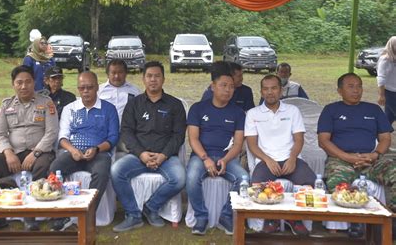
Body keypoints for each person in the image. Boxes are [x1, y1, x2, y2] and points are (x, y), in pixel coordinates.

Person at [318, 72, 395, 238]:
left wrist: (375, 154)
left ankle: (392, 221)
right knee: (337, 182)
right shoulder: (331, 110)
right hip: (341, 159)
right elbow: (323, 141)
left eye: (359, 86)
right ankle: (354, 222)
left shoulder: (373, 109)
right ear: (339, 90)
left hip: (371, 159)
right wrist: (347, 157)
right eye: (350, 86)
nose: (356, 90)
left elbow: (385, 138)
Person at [111, 61, 186, 232]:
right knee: (116, 171)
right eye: (149, 76)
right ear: (143, 79)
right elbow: (127, 133)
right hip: (139, 156)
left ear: (163, 79)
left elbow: (178, 136)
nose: (153, 80)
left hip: (166, 157)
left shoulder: (175, 105)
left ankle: (151, 207)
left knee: (180, 178)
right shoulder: (134, 104)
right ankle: (133, 215)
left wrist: (163, 155)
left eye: (157, 76)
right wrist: (142, 154)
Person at [0, 65, 59, 231]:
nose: (24, 86)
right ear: (13, 84)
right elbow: (0, 135)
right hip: (14, 152)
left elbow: (51, 133)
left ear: (34, 83)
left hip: (40, 152)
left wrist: (35, 153)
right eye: (19, 82)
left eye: (28, 82)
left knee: (43, 167)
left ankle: (31, 217)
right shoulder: (6, 105)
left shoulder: (46, 102)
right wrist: (8, 154)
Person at [245, 74, 315, 235]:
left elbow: (299, 140)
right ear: (261, 92)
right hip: (266, 160)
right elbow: (252, 144)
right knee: (257, 189)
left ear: (281, 91)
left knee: (311, 185)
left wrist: (292, 159)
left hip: (291, 158)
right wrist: (268, 160)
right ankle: (272, 219)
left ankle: (295, 219)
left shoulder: (292, 110)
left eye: (274, 88)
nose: (270, 92)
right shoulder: (253, 113)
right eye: (266, 89)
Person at [48, 71, 119, 231]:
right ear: (78, 89)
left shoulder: (109, 109)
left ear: (97, 88)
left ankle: (88, 215)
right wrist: (72, 150)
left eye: (90, 87)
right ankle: (61, 215)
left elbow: (113, 137)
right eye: (82, 88)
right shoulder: (69, 109)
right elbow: (62, 136)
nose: (86, 91)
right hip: (74, 153)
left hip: (99, 153)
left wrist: (97, 148)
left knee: (101, 172)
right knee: (54, 169)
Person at [187, 65, 248, 235]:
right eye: (223, 85)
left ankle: (226, 215)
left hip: (226, 157)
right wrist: (205, 159)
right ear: (212, 87)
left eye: (231, 87)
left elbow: (237, 144)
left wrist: (226, 160)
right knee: (192, 176)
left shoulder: (238, 113)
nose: (228, 90)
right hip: (201, 156)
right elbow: (193, 139)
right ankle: (201, 216)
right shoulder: (197, 108)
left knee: (244, 178)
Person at [98, 59, 141, 152]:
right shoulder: (98, 91)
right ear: (108, 74)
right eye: (113, 73)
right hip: (103, 135)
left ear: (126, 73)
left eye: (120, 72)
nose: (117, 76)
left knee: (133, 153)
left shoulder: (135, 91)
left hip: (126, 135)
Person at [377, 35, 396, 124]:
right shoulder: (385, 59)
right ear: (391, 46)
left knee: (388, 118)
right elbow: (381, 78)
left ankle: (379, 135)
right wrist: (381, 95)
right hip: (390, 93)